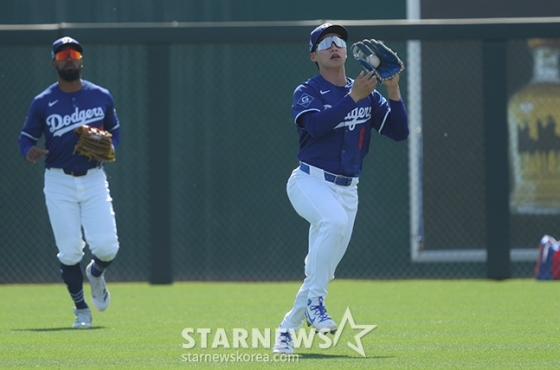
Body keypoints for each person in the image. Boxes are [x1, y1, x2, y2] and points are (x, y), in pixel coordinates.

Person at [272, 23, 409, 354]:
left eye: (339, 41)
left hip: (348, 190)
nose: (334, 46)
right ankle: (318, 304)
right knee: (332, 223)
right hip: (309, 180)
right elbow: (316, 126)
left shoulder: (365, 91)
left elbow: (398, 131)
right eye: (325, 42)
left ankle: (287, 329)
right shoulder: (308, 90)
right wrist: (353, 98)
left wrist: (393, 90)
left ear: (347, 52)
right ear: (313, 56)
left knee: (323, 269)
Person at [18, 37, 122, 329]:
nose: (69, 58)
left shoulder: (101, 96)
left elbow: (114, 129)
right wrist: (29, 151)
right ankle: (81, 311)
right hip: (58, 182)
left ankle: (96, 273)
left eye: (74, 53)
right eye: (62, 54)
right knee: (70, 251)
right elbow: (26, 137)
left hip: (93, 179)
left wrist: (112, 146)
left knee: (107, 247)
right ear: (54, 62)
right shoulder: (42, 102)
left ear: (81, 60)